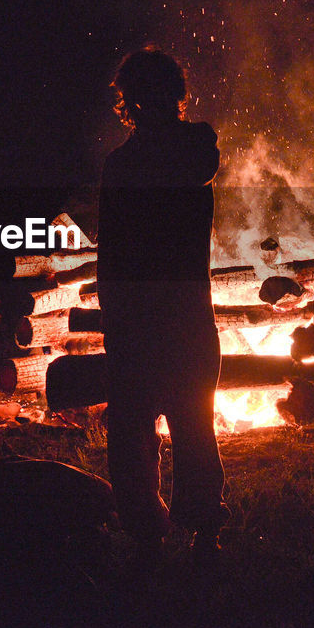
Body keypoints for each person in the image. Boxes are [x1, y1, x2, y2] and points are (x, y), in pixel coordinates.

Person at [97, 46, 229, 569]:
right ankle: (201, 532)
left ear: (128, 98)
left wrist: (112, 315)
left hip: (140, 314)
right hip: (188, 312)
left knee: (133, 428)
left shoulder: (128, 163)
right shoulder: (197, 150)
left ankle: (148, 533)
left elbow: (113, 251)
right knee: (192, 423)